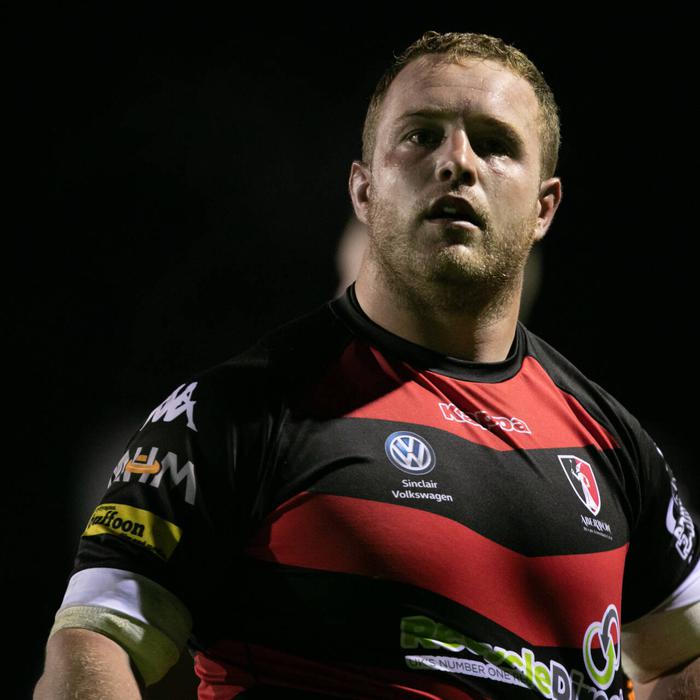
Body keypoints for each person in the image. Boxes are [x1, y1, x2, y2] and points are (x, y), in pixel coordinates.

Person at [34, 30, 700, 700]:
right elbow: (93, 645)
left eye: (495, 144)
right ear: (363, 189)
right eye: (421, 136)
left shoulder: (614, 445)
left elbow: (681, 659)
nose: (457, 162)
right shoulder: (233, 413)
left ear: (544, 208)